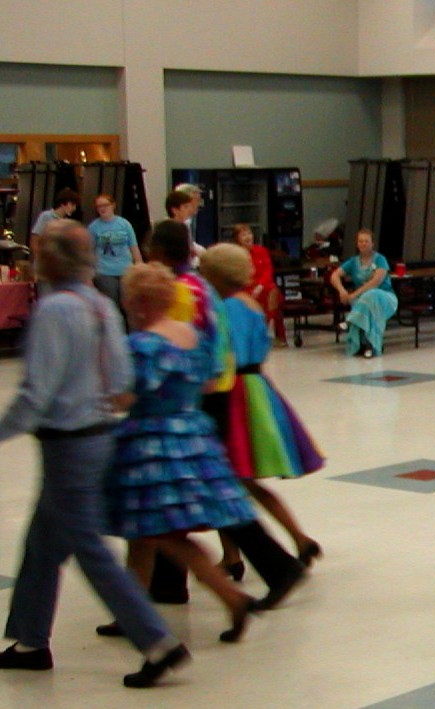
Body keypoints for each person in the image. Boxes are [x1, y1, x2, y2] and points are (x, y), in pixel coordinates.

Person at [0, 221, 190, 688]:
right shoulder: (101, 304)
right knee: (44, 543)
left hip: (68, 444)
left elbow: (36, 392)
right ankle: (29, 639)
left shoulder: (54, 310)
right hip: (100, 434)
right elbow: (123, 377)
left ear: (52, 258)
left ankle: (157, 641)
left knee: (88, 547)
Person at [106, 263, 259, 643]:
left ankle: (231, 596)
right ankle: (131, 611)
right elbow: (208, 384)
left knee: (164, 534)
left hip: (151, 446)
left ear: (139, 303)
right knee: (145, 535)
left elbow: (124, 398)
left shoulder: (141, 345)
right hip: (192, 437)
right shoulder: (192, 336)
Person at [199, 244, 326, 570]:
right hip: (259, 388)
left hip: (233, 389)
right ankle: (298, 537)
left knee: (228, 477)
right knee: (245, 479)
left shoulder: (220, 308)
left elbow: (223, 354)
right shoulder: (252, 305)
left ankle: (232, 555)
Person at [330, 229, 399, 359]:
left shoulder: (380, 260)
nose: (363, 244)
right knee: (366, 302)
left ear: (372, 243)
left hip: (385, 298)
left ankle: (351, 321)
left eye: (366, 241)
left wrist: (354, 294)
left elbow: (376, 282)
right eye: (360, 241)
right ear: (357, 244)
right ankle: (367, 346)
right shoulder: (352, 262)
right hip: (361, 300)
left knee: (372, 294)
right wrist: (342, 290)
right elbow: (334, 275)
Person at [231, 224, 286, 345]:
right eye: (244, 234)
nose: (248, 237)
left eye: (249, 233)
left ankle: (269, 332)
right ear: (237, 238)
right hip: (245, 287)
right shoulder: (234, 254)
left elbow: (268, 271)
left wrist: (260, 286)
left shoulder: (261, 251)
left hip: (263, 286)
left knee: (273, 291)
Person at [88, 193, 144, 307]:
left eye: (105, 205)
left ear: (113, 205)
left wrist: (140, 267)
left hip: (126, 270)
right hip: (104, 271)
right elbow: (88, 252)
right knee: (112, 302)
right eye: (99, 206)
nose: (102, 208)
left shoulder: (124, 224)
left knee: (129, 303)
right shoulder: (93, 227)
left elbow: (134, 247)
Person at [28, 188, 78, 254]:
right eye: (72, 205)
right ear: (63, 204)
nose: (74, 208)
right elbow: (35, 238)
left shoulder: (66, 223)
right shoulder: (46, 216)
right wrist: (38, 257)